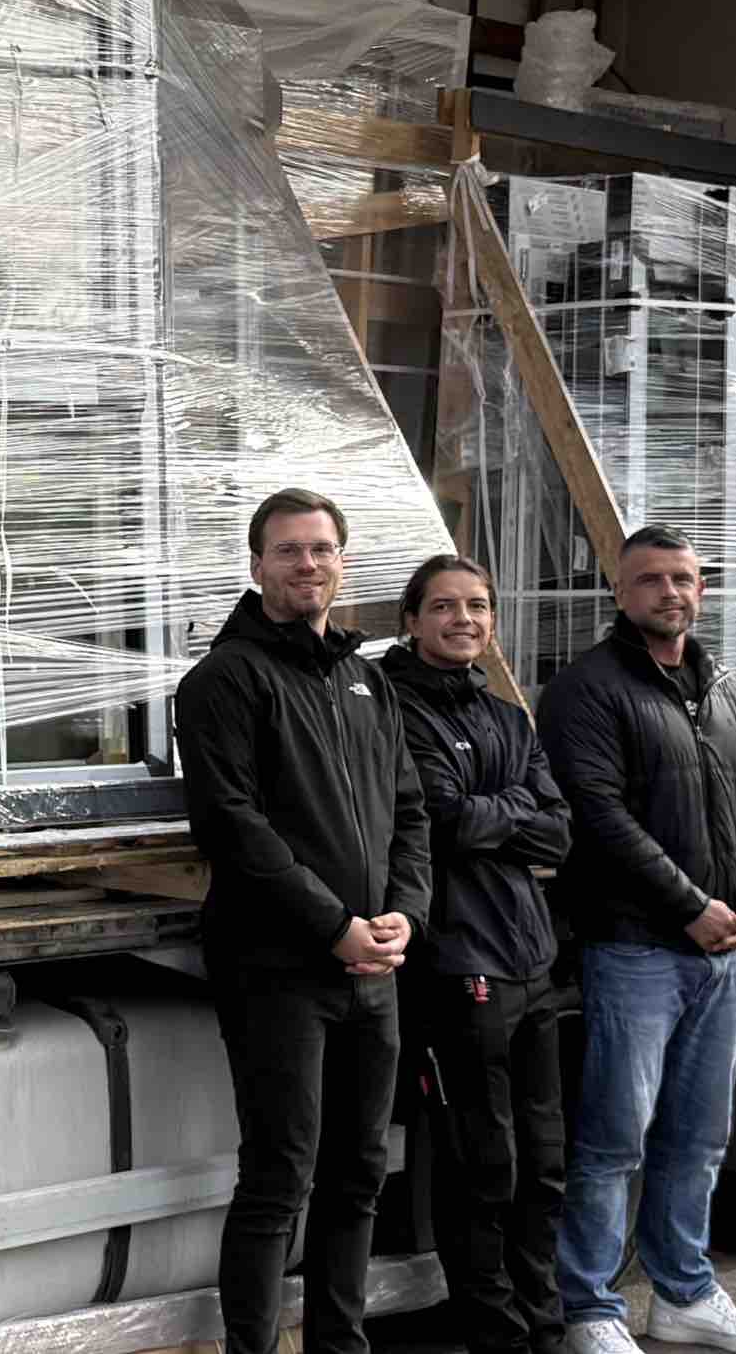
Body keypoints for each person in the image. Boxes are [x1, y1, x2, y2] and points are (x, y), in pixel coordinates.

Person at [175, 487, 433, 1354]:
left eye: (321, 549)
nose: (307, 565)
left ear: (342, 562)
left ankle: (339, 1343)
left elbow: (409, 811)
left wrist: (404, 915)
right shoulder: (223, 681)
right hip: (280, 967)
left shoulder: (366, 679)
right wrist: (333, 927)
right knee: (280, 1176)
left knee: (359, 1171)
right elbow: (231, 827)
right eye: (288, 551)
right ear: (257, 567)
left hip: (373, 966)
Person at [536, 525, 736, 1354]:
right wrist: (690, 907)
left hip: (720, 950)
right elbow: (598, 818)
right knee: (613, 1138)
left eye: (683, 579)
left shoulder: (723, 689)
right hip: (637, 946)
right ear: (620, 592)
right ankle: (592, 1311)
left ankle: (683, 1292)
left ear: (702, 589)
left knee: (698, 1134)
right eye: (650, 580)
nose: (669, 593)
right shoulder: (588, 689)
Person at [380, 552, 574, 1354]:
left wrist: (503, 813)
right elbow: (440, 820)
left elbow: (559, 828)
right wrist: (514, 809)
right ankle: (495, 1333)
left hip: (532, 958)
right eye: (446, 606)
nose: (465, 620)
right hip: (463, 964)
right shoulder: (394, 711)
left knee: (546, 1161)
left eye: (479, 606)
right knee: (485, 1163)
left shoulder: (506, 715)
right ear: (413, 619)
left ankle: (548, 1323)